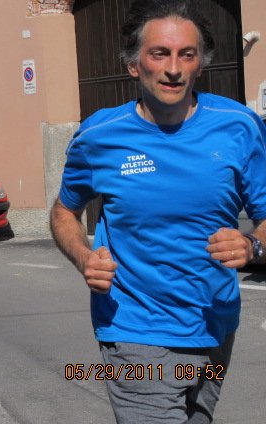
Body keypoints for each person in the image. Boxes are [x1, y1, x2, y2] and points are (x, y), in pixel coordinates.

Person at [50, 0, 266, 422]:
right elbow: (64, 211)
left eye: (187, 54)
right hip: (134, 329)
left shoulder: (239, 126)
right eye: (159, 53)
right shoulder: (99, 136)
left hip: (215, 323)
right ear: (134, 65)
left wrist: (253, 246)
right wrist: (83, 257)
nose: (173, 69)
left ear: (200, 64)